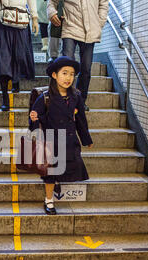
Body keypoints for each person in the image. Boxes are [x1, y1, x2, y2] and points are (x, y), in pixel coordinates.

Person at [29, 57, 93, 215]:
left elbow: (80, 120)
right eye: (64, 73)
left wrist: (86, 139)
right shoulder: (45, 97)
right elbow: (34, 119)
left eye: (71, 74)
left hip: (69, 140)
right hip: (51, 141)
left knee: (69, 165)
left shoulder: (76, 96)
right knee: (50, 172)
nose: (68, 78)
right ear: (54, 75)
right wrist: (34, 122)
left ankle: (57, 181)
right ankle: (49, 200)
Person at [0, 0, 39, 111]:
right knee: (2, 60)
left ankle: (16, 79)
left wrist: (35, 17)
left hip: (20, 19)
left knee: (20, 55)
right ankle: (5, 96)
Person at [48, 0, 109, 104]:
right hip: (70, 27)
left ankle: (80, 101)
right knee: (66, 65)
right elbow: (52, 2)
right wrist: (52, 13)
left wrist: (99, 22)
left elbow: (103, 3)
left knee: (86, 69)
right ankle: (65, 99)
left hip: (90, 30)